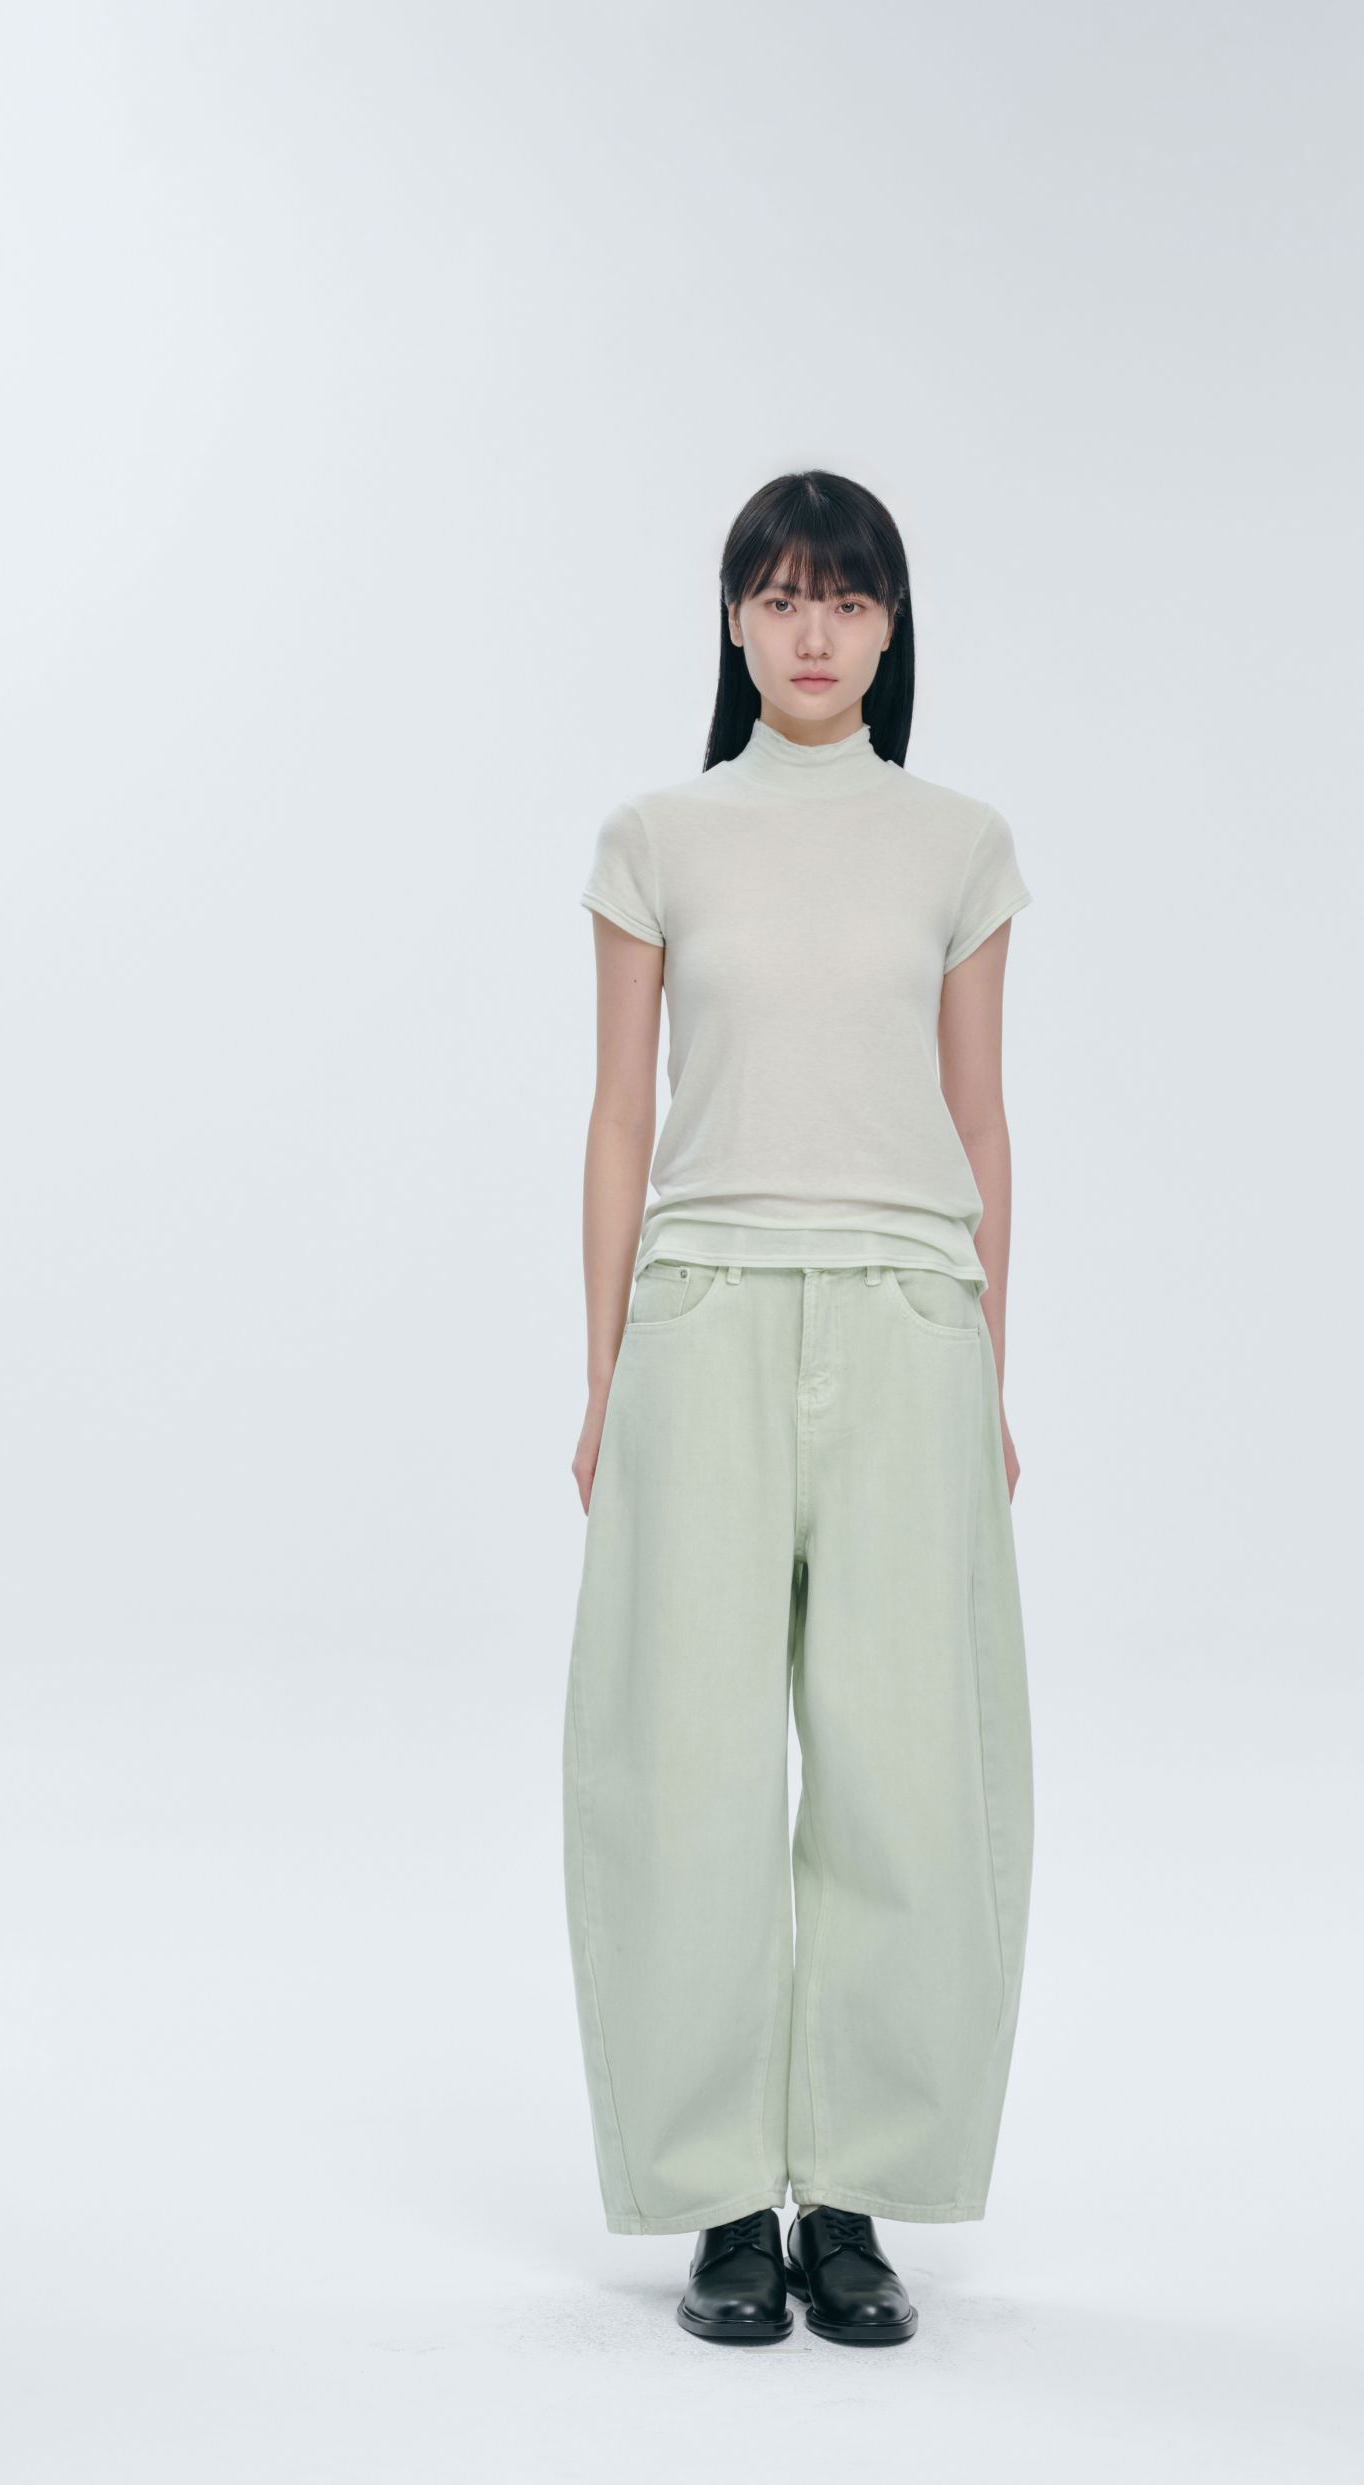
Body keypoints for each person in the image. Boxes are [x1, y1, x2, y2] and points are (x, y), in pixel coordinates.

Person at [561, 469, 1034, 2348]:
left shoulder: (960, 846)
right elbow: (619, 1116)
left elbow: (981, 1118)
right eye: (779, 596)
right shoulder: (658, 838)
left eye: (846, 599)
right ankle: (713, 2206)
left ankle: (848, 2201)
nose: (814, 631)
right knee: (682, 1765)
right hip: (706, 1314)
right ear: (735, 623)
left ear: (892, 624)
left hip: (910, 1314)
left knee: (908, 1767)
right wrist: (603, 1375)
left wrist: (992, 1371)